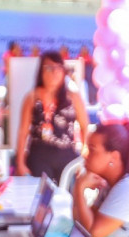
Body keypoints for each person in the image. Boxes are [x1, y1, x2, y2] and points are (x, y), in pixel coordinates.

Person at [15, 51, 88, 180]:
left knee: (66, 197)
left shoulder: (73, 97)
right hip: (39, 156)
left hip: (67, 156)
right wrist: (20, 162)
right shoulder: (32, 97)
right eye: (49, 68)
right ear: (41, 72)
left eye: (58, 68)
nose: (54, 72)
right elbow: (23, 132)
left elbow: (85, 127)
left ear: (63, 71)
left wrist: (84, 159)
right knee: (42, 197)